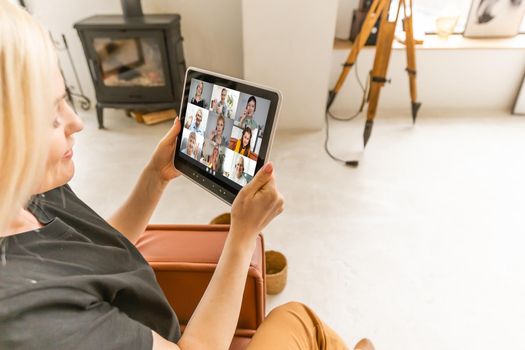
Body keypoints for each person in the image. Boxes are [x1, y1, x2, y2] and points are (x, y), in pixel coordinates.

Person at [0, 3, 374, 350]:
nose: (76, 123)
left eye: (65, 99)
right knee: (300, 319)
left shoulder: (28, 189)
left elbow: (91, 252)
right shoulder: (38, 317)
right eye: (52, 116)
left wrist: (154, 178)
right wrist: (242, 236)